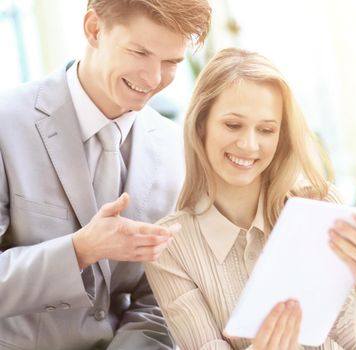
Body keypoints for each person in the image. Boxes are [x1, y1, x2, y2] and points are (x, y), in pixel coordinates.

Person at [144, 48, 356, 350]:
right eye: (233, 125)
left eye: (266, 129)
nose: (249, 144)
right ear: (201, 124)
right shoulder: (170, 247)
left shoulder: (321, 204)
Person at [0, 1, 210, 349]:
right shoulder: (7, 124)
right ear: (94, 29)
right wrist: (80, 250)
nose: (154, 78)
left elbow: (162, 299)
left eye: (171, 62)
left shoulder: (176, 148)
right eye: (140, 52)